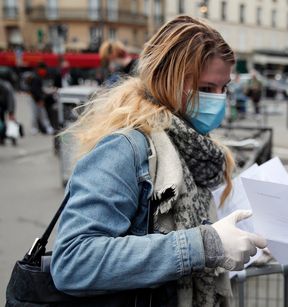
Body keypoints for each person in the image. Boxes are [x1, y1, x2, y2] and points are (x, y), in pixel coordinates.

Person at [50, 15, 267, 306]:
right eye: (205, 89)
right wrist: (205, 245)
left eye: (224, 88)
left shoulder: (192, 145)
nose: (219, 99)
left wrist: (240, 244)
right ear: (168, 80)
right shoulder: (125, 147)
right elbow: (73, 261)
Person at [28, 63, 54, 135]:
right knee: (35, 114)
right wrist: (39, 100)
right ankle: (34, 128)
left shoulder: (39, 77)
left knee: (42, 114)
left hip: (38, 99)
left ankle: (47, 128)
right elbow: (34, 91)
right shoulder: (35, 77)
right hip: (34, 99)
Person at [0, 69, 17, 145]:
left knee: (6, 122)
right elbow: (11, 99)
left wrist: (11, 111)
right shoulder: (8, 85)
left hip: (5, 105)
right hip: (5, 105)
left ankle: (6, 138)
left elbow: (10, 99)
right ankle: (4, 138)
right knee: (5, 122)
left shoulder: (6, 85)